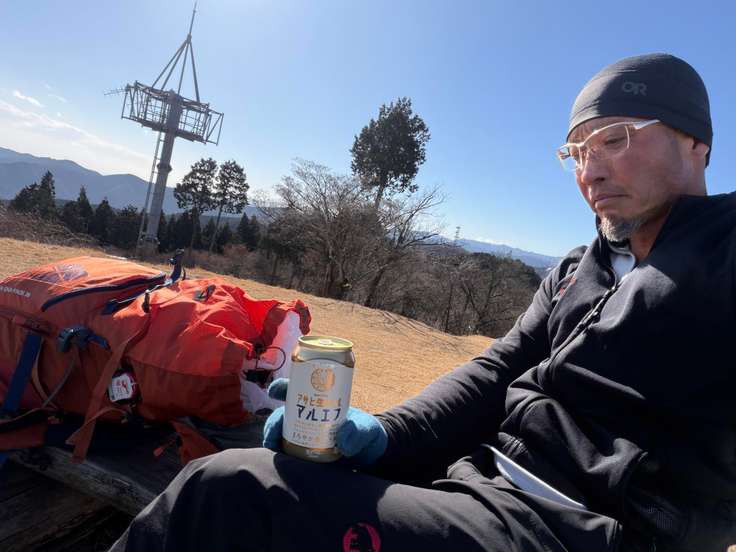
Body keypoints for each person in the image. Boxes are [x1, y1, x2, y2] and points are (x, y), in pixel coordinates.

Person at [109, 53, 736, 552]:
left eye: (615, 139)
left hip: (575, 529)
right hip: (478, 484)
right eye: (577, 151)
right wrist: (386, 435)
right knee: (259, 469)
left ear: (696, 144)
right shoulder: (579, 269)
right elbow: (497, 370)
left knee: (226, 493)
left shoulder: (723, 253)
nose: (590, 170)